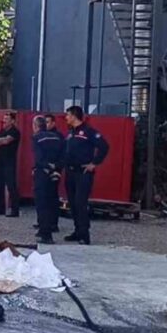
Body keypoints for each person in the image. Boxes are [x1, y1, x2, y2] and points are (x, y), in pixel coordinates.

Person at [63, 105, 110, 245]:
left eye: (68, 115)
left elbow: (104, 146)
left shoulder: (88, 131)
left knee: (80, 203)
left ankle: (84, 234)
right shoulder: (71, 132)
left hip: (82, 173)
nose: (66, 118)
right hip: (70, 172)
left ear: (74, 116)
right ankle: (77, 231)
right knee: (72, 203)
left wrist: (94, 163)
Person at [32, 115, 65, 244]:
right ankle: (52, 224)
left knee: (42, 202)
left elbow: (38, 158)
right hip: (55, 172)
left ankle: (45, 233)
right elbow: (64, 155)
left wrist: (46, 167)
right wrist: (56, 167)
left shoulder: (37, 138)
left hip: (42, 172)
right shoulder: (58, 137)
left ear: (36, 126)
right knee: (53, 199)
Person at [0, 110, 22, 217]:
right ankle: (1, 208)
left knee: (11, 185)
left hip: (9, 161)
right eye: (4, 119)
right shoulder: (2, 130)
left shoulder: (15, 131)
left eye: (7, 119)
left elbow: (6, 141)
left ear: (12, 121)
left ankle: (15, 210)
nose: (4, 121)